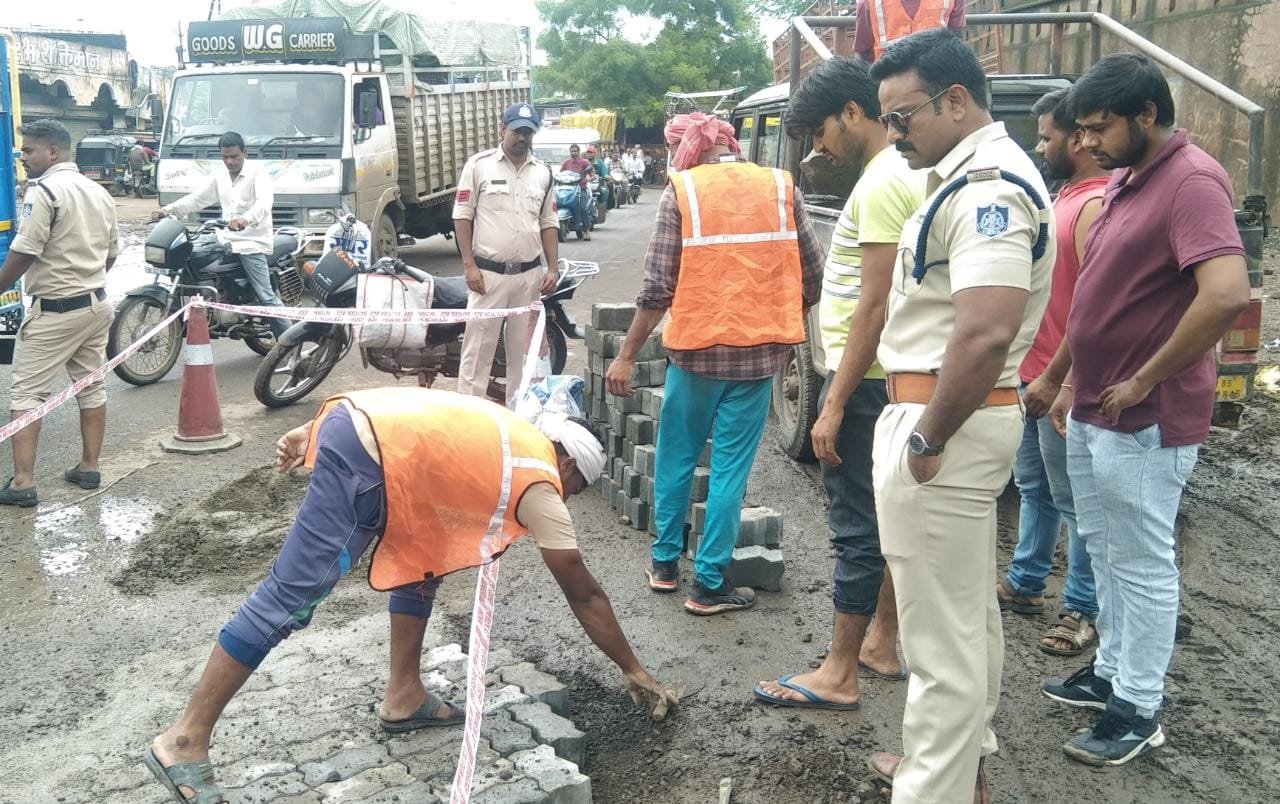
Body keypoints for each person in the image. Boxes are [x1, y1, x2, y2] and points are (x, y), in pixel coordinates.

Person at [143, 387, 677, 802]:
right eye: (576, 490)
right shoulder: (541, 484)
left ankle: (404, 695)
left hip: (367, 432)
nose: (569, 500)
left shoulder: (511, 431)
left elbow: (409, 407)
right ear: (569, 466)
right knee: (289, 599)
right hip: (368, 458)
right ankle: (184, 739)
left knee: (422, 562)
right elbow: (584, 594)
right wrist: (633, 668)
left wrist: (314, 426)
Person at [1039, 53, 1248, 767]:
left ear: (1147, 115)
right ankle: (1110, 672)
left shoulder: (1191, 182)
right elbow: (1101, 295)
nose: (1088, 142)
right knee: (1102, 547)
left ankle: (1138, 707)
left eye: (1100, 128)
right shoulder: (1128, 180)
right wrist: (1065, 380)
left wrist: (1144, 377)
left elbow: (1225, 294)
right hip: (1095, 405)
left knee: (1141, 562)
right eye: (1083, 129)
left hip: (1145, 415)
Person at [862, 29, 1054, 802]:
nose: (893, 134)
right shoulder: (973, 180)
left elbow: (985, 332)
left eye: (901, 117)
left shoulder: (987, 192)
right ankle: (960, 765)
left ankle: (932, 786)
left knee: (938, 642)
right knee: (966, 617)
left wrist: (927, 438)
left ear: (955, 100)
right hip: (956, 422)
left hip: (946, 424)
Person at [754, 57, 922, 711]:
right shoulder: (904, 172)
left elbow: (873, 308)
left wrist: (836, 399)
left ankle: (840, 671)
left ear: (853, 113)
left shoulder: (881, 184)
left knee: (856, 525)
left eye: (821, 133)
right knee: (890, 521)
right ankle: (882, 643)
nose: (819, 150)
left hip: (870, 382)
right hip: (891, 378)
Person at [605, 112, 823, 616]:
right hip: (758, 359)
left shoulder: (682, 191)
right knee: (729, 471)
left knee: (676, 458)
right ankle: (708, 584)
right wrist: (782, 315)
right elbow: (812, 273)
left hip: (694, 356)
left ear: (687, 149)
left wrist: (627, 354)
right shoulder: (780, 187)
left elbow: (657, 287)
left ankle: (664, 565)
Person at [997, 87, 1108, 657]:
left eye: (1046, 137)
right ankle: (1026, 580)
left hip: (1063, 382)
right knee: (1034, 486)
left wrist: (1064, 382)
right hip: (1032, 373)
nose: (1040, 148)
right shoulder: (1064, 198)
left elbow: (1094, 306)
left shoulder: (1096, 206)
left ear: (1079, 138)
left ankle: (1083, 606)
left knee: (1076, 500)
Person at [0, 119, 120, 507]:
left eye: (29, 150)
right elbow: (111, 254)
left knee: (27, 392)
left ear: (53, 152)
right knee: (91, 385)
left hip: (54, 312)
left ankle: (22, 483)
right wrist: (84, 280)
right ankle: (89, 466)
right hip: (95, 305)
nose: (22, 158)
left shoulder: (45, 190)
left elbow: (24, 252)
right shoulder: (98, 192)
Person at [454, 103, 559, 405]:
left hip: (528, 278)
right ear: (503, 129)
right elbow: (462, 216)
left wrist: (552, 268)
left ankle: (517, 413)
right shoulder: (479, 166)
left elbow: (548, 223)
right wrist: (469, 266)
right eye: (517, 131)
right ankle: (469, 413)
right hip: (487, 277)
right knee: (478, 351)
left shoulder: (543, 173)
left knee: (522, 354)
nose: (522, 138)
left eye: (528, 132)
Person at [154, 131, 287, 338]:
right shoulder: (219, 175)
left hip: (250, 241)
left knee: (266, 296)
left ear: (245, 153)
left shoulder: (257, 173)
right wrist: (168, 210)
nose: (230, 161)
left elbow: (264, 203)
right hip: (225, 237)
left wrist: (245, 220)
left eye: (234, 156)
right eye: (225, 157)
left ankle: (290, 342)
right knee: (191, 254)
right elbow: (198, 198)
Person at [855, 0, 966, 62]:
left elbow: (957, 47)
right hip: (889, 86)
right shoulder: (868, 3)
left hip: (936, 82)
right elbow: (863, 58)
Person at [559, 144, 594, 240]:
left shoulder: (584, 162)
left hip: (580, 188)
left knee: (582, 208)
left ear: (578, 151)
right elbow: (560, 174)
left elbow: (593, 175)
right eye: (572, 151)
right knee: (558, 203)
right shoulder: (566, 163)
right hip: (568, 188)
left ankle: (586, 230)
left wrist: (588, 179)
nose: (573, 153)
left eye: (575, 151)